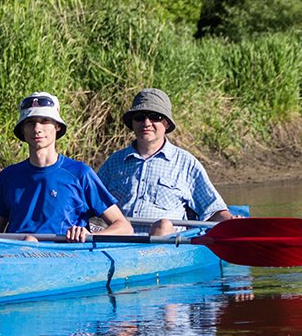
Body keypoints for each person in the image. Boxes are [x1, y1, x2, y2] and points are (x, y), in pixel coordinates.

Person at [0, 92, 132, 242]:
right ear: (22, 129)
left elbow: (124, 227)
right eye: (30, 122)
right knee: (28, 240)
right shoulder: (8, 176)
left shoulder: (80, 173)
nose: (37, 128)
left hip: (63, 259)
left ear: (57, 126)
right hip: (13, 256)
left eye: (44, 121)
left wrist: (88, 235)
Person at [97, 88, 235, 236]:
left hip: (165, 247)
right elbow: (91, 205)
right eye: (139, 117)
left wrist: (232, 222)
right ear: (132, 122)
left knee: (163, 225)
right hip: (117, 244)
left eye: (155, 117)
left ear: (167, 123)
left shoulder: (186, 163)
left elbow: (213, 210)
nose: (146, 123)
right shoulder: (113, 163)